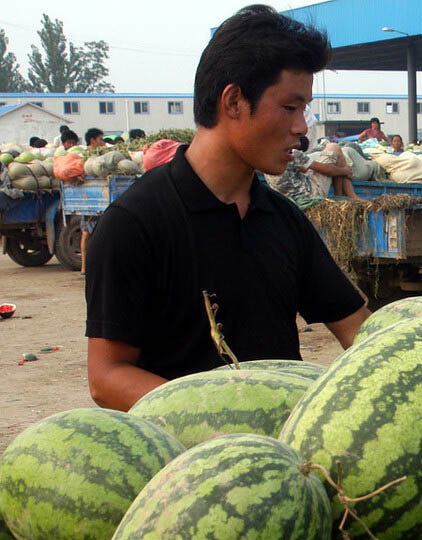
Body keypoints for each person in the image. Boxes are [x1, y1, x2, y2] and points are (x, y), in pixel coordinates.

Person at [84, 4, 369, 411]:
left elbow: (357, 329)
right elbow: (107, 377)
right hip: (182, 466)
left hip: (280, 462)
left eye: (303, 109)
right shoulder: (135, 223)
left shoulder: (282, 219)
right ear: (234, 101)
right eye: (291, 107)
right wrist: (226, 420)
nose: (302, 127)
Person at [265, 134, 360, 201]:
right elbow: (327, 170)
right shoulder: (292, 154)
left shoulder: (265, 160)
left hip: (287, 199)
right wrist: (345, 171)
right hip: (312, 194)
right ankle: (348, 194)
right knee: (334, 147)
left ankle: (341, 195)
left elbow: (303, 169)